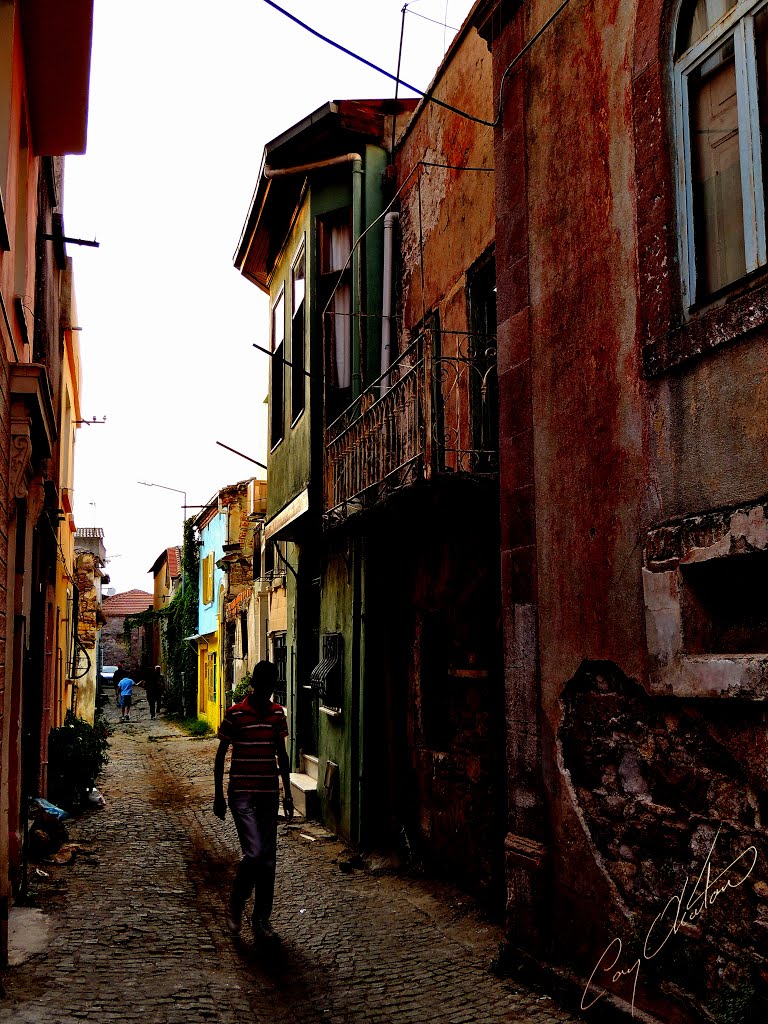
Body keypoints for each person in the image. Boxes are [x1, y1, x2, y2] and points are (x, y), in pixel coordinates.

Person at [213, 660, 294, 942]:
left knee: (268, 861)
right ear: (255, 685)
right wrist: (218, 795)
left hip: (269, 793)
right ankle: (237, 902)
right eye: (265, 686)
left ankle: (261, 919)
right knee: (255, 853)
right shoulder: (235, 714)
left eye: (272, 686)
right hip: (242, 793)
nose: (268, 691)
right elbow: (221, 754)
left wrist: (288, 793)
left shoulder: (276, 714)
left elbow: (281, 756)